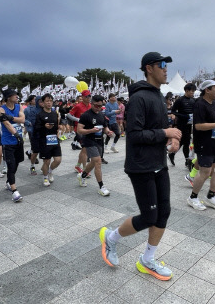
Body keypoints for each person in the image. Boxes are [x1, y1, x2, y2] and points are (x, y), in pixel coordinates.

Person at [99, 52, 181, 281]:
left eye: (167, 65)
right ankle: (111, 239)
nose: (166, 69)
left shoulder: (158, 95)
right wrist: (165, 133)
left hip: (159, 163)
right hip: (141, 165)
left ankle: (147, 260)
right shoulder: (139, 97)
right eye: (162, 65)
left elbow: (159, 128)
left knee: (163, 212)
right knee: (149, 215)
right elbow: (133, 134)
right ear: (149, 68)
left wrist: (172, 139)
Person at [186, 80, 215, 211]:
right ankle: (193, 198)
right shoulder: (199, 104)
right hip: (203, 143)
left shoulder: (214, 103)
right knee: (205, 172)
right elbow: (198, 126)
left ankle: (210, 196)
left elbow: (214, 118)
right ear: (207, 90)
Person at [77, 94, 114, 195]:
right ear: (91, 103)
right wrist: (91, 130)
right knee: (98, 161)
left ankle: (83, 175)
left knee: (94, 162)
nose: (98, 108)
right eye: (96, 105)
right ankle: (101, 187)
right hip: (89, 141)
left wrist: (108, 132)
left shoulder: (101, 115)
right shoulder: (86, 115)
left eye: (100, 106)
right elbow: (79, 130)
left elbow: (105, 127)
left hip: (99, 141)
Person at [0, 89, 25, 202]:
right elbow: (7, 124)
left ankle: (9, 181)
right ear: (8, 97)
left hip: (18, 141)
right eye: (14, 95)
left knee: (17, 163)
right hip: (8, 141)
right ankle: (15, 191)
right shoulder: (1, 109)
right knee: (11, 164)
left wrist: (10, 117)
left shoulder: (19, 107)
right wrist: (16, 134)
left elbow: (22, 119)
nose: (17, 97)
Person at [34, 93, 62, 187]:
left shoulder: (55, 113)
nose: (49, 103)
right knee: (46, 161)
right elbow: (36, 128)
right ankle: (45, 177)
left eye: (50, 101)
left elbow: (57, 126)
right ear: (43, 103)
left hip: (54, 139)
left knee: (58, 160)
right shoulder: (40, 114)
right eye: (47, 101)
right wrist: (44, 126)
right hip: (44, 140)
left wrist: (59, 128)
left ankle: (50, 171)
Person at [169, 83, 196, 168]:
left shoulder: (193, 100)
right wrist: (183, 116)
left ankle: (172, 154)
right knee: (185, 142)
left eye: (194, 91)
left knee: (184, 142)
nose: (193, 93)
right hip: (181, 123)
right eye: (192, 91)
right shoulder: (180, 100)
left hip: (189, 124)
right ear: (187, 91)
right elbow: (173, 111)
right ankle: (187, 161)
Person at [67, 90, 92, 173]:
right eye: (87, 96)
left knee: (84, 150)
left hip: (88, 130)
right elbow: (69, 115)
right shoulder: (78, 106)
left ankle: (78, 166)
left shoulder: (90, 106)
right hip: (79, 130)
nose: (88, 98)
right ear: (83, 97)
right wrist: (77, 119)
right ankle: (85, 169)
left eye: (89, 96)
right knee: (85, 149)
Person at [24, 95, 41, 175]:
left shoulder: (44, 109)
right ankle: (32, 166)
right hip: (33, 132)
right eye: (35, 100)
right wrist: (28, 123)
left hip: (43, 132)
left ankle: (45, 166)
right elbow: (23, 119)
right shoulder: (27, 110)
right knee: (35, 150)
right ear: (30, 101)